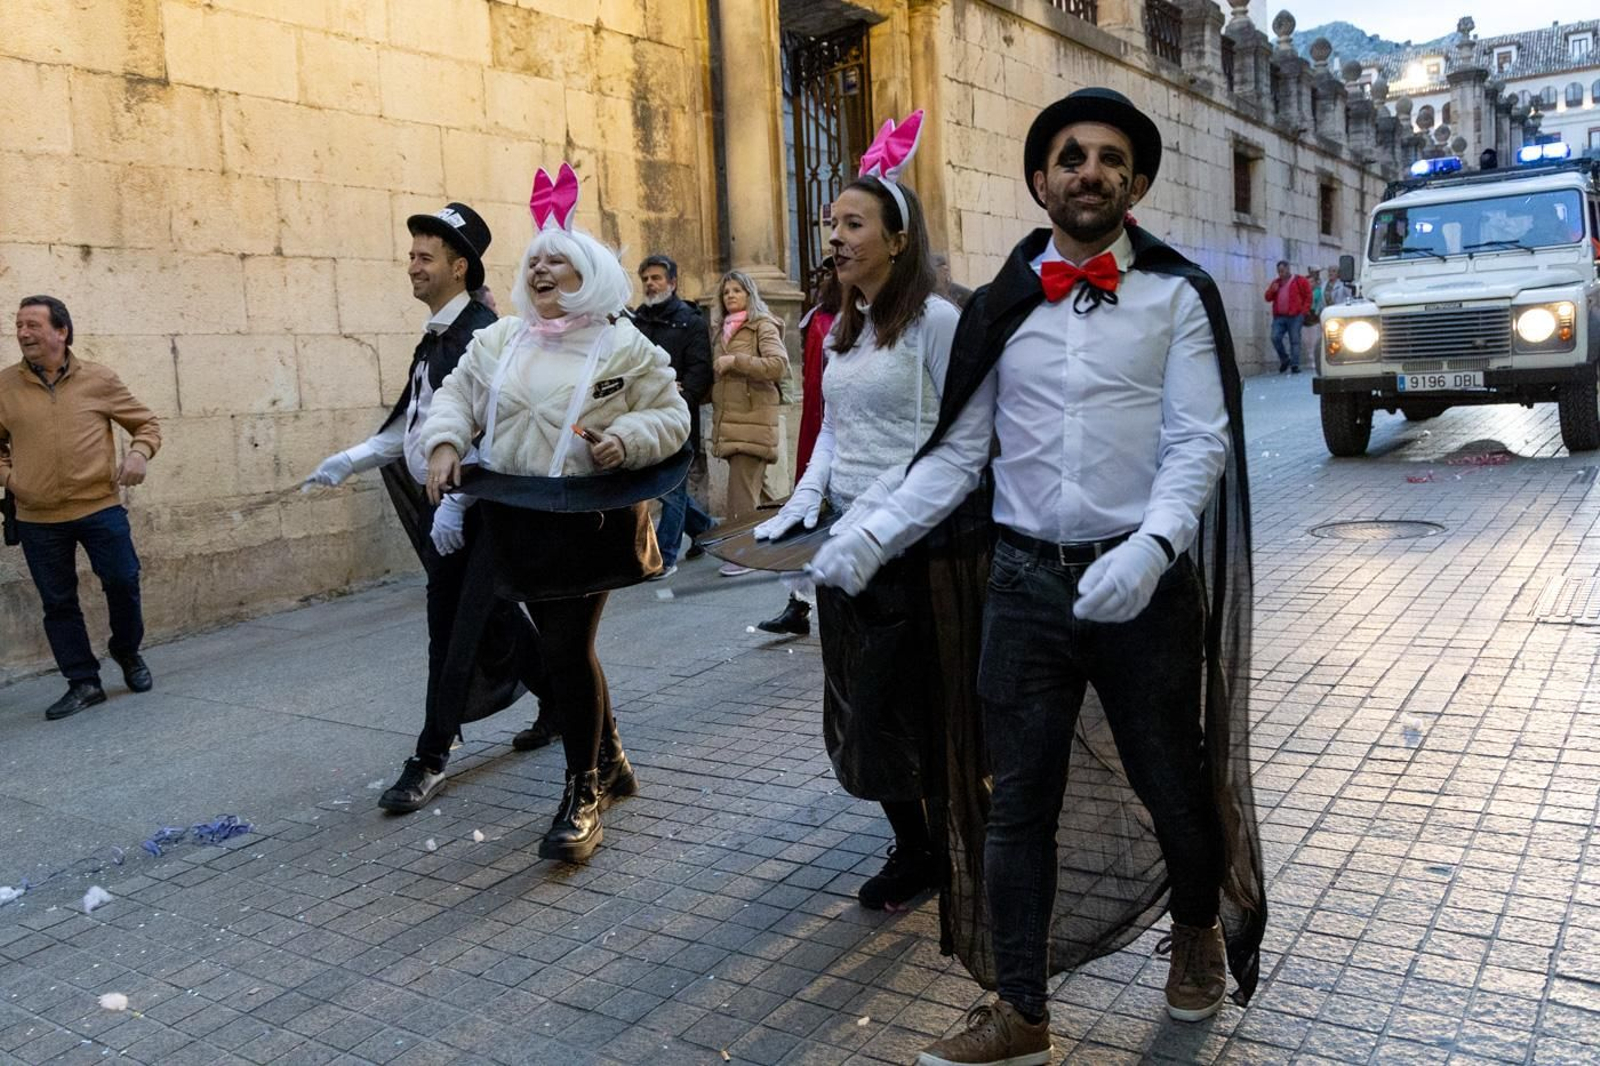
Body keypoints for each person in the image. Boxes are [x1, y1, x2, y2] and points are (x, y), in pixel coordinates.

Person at [809, 88, 1264, 1063]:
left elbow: (1197, 443)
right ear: (1039, 180)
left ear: (1132, 181)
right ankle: (1020, 1008)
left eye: (1108, 158)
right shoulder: (1008, 299)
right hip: (1022, 587)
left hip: (1141, 592)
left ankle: (1193, 933)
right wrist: (870, 532)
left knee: (1170, 784)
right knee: (1013, 798)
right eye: (1069, 156)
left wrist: (1151, 548)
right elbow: (954, 452)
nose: (1087, 170)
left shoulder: (1176, 295)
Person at [420, 162, 689, 862]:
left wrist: (624, 441)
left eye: (559, 262)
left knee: (568, 650)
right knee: (568, 651)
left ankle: (582, 792)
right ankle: (612, 755)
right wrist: (445, 443)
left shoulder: (624, 343)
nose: (542, 270)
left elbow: (673, 415)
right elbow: (453, 397)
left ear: (591, 274)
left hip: (590, 524)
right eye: (535, 260)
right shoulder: (497, 340)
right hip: (513, 523)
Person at [756, 111, 960, 911]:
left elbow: (954, 437)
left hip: (916, 547)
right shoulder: (843, 329)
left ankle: (945, 847)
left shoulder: (936, 323)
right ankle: (910, 843)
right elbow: (833, 430)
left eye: (853, 223)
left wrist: (871, 515)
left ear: (898, 239)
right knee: (859, 707)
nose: (834, 237)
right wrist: (800, 508)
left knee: (915, 706)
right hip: (844, 551)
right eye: (829, 223)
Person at [303, 203, 553, 813]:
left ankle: (433, 753)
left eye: (424, 257)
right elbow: (412, 426)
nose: (411, 266)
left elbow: (495, 433)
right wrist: (351, 459)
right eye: (412, 255)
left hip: (474, 513)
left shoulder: (479, 337)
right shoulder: (437, 337)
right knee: (496, 620)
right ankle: (570, 707)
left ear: (458, 266)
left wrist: (457, 502)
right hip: (450, 509)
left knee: (451, 629)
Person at [1, 296, 160, 720]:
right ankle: (83, 682)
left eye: (32, 325)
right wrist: (11, 480)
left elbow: (146, 423)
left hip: (99, 508)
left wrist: (140, 453)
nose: (22, 333)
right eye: (18, 325)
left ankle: (127, 652)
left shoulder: (99, 379)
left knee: (123, 581)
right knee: (58, 602)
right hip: (38, 518)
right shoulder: (5, 386)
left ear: (61, 331)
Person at [757, 257, 842, 636]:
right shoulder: (819, 320)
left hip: (850, 438)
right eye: (826, 271)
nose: (828, 277)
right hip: (819, 432)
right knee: (808, 517)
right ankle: (799, 603)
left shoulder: (864, 321)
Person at [630, 254, 713, 578]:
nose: (650, 284)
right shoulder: (636, 320)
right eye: (646, 279)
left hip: (676, 415)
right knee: (661, 485)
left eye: (657, 278)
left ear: (672, 283)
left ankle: (664, 557)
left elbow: (700, 369)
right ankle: (705, 529)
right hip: (642, 416)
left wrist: (682, 395)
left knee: (671, 486)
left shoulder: (690, 321)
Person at [708, 271, 787, 575]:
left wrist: (736, 362)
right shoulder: (722, 331)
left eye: (737, 290)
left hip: (753, 420)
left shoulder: (761, 326)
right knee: (759, 491)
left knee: (741, 493)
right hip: (732, 421)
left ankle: (743, 554)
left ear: (749, 294)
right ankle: (788, 538)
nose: (730, 295)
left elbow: (778, 365)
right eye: (726, 291)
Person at [1264, 259, 1311, 374]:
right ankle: (1285, 359)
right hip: (1280, 316)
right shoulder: (1276, 283)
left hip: (1295, 315)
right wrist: (1272, 291)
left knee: (1295, 340)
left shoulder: (1299, 281)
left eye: (1283, 271)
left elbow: (1308, 296)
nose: (1281, 273)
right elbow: (1267, 297)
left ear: (1288, 269)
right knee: (1275, 337)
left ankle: (1295, 364)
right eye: (1279, 271)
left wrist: (1303, 312)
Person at [1303, 266, 1323, 366]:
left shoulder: (1319, 292)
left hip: (1314, 316)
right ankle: (1310, 358)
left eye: (1311, 282)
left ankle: (1315, 359)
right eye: (1307, 282)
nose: (1309, 284)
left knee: (1314, 339)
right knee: (1307, 340)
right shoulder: (1304, 293)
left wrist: (1317, 312)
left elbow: (1319, 303)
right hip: (1306, 318)